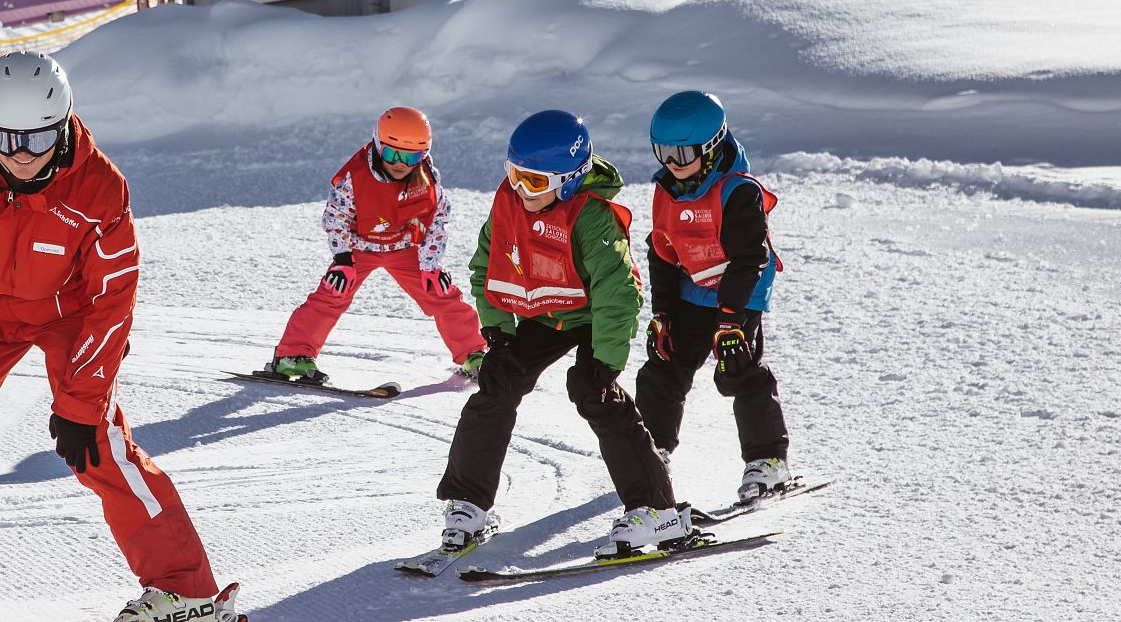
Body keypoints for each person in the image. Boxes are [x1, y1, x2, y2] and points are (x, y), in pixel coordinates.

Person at [0, 52, 242, 622]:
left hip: (71, 315)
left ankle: (189, 593)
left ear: (62, 126)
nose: (21, 156)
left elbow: (113, 301)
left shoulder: (100, 186)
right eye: (5, 138)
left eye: (38, 139)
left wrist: (83, 404)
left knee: (100, 448)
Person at [435, 109, 690, 559]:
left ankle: (655, 509)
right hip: (544, 313)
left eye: (533, 182)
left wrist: (606, 360)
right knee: (497, 381)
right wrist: (497, 326)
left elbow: (617, 292)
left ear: (568, 179)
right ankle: (469, 503)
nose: (519, 188)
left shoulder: (592, 218)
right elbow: (487, 264)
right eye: (514, 174)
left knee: (591, 389)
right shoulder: (509, 202)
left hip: (592, 314)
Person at [634, 90, 792, 502]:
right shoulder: (668, 189)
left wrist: (729, 321)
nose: (671, 164)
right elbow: (662, 252)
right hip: (691, 287)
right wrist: (663, 313)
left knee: (736, 366)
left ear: (712, 146)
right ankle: (652, 450)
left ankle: (768, 460)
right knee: (664, 367)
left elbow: (747, 260)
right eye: (662, 152)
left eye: (682, 155)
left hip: (739, 290)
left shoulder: (739, 192)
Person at [267, 107, 487, 383]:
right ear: (377, 143)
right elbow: (336, 217)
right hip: (360, 247)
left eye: (412, 156)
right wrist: (343, 260)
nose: (400, 163)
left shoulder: (427, 176)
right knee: (333, 294)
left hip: (404, 247)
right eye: (392, 153)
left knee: (441, 294)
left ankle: (473, 354)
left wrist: (431, 266)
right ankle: (292, 355)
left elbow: (438, 218)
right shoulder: (353, 176)